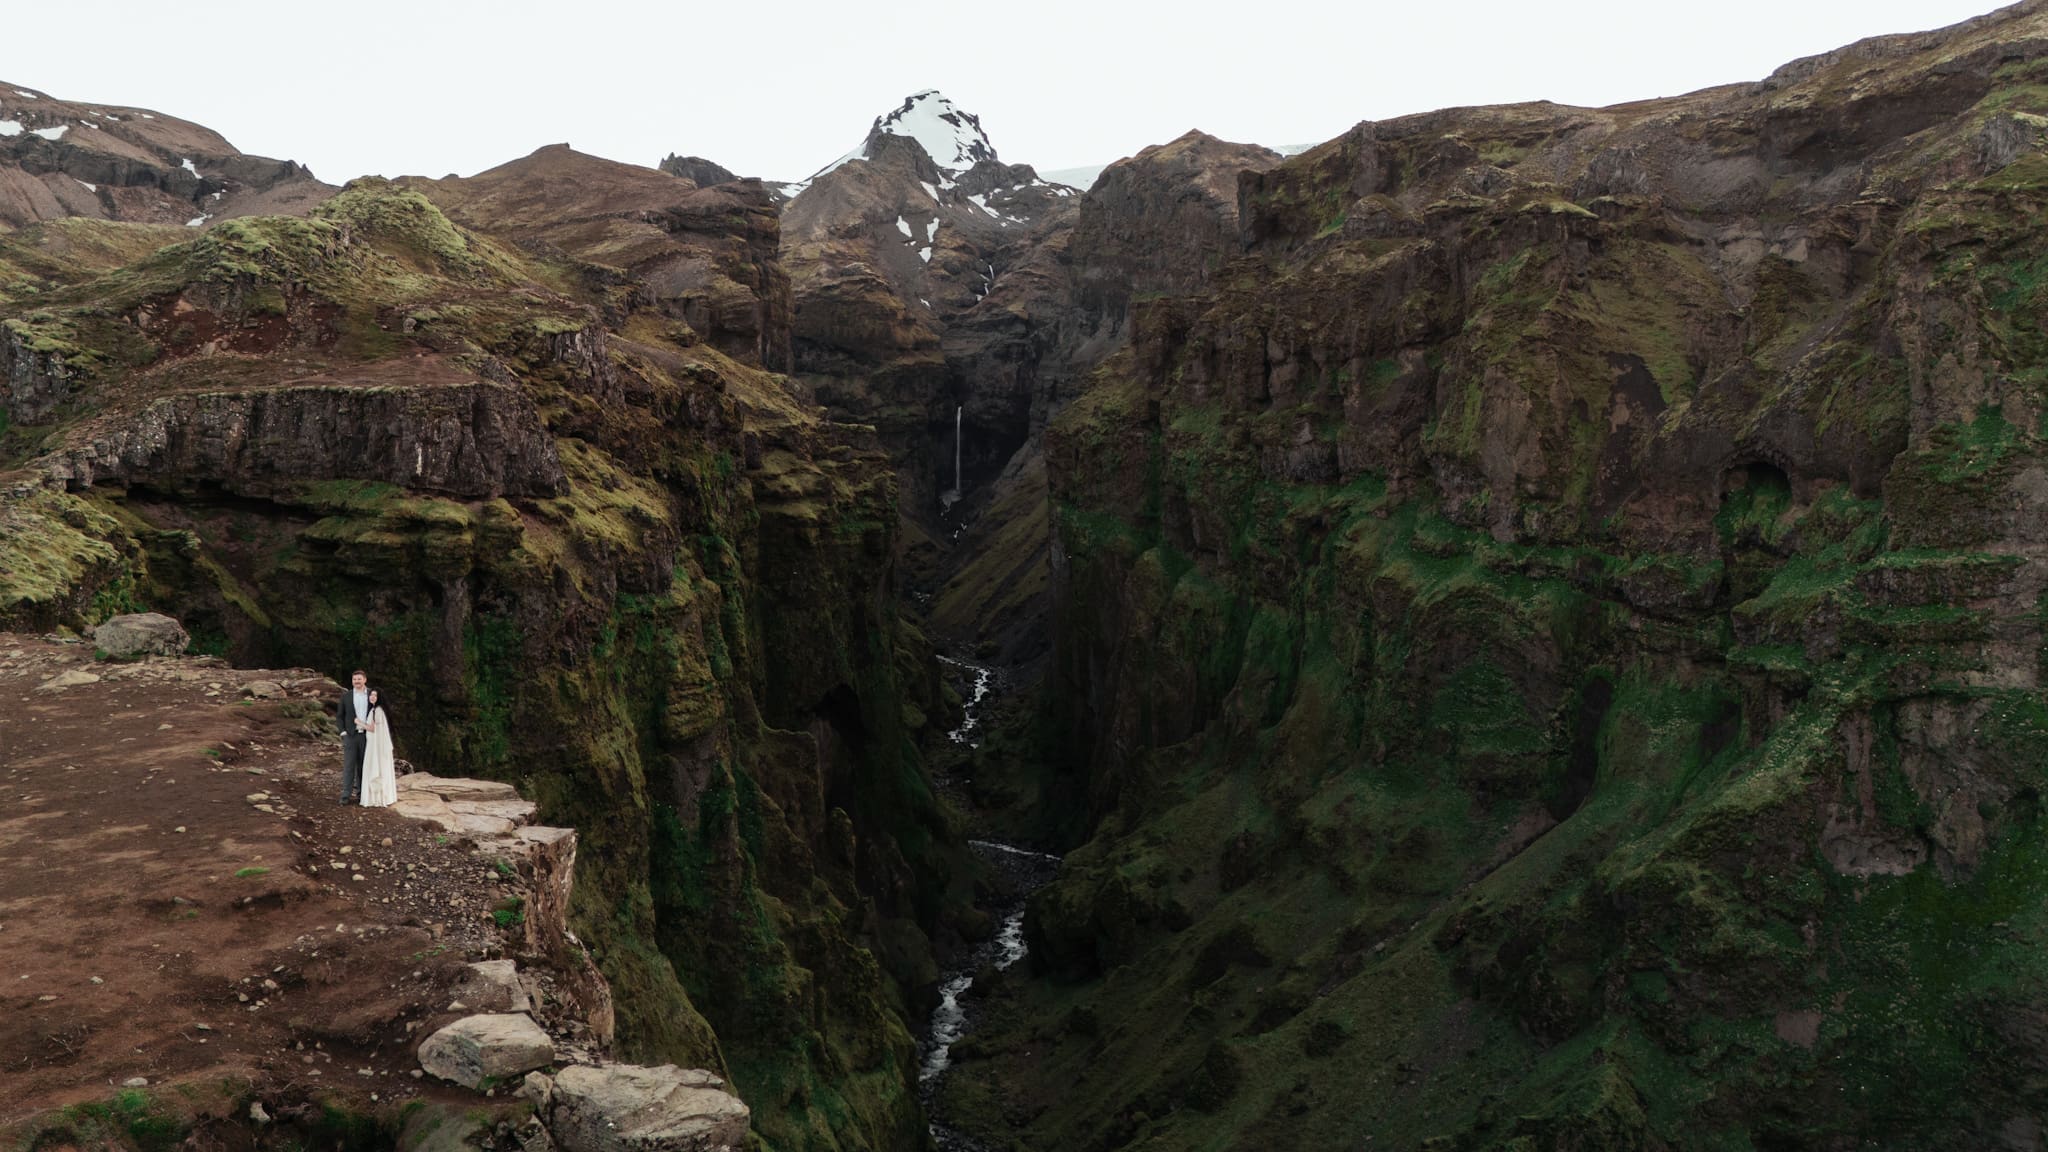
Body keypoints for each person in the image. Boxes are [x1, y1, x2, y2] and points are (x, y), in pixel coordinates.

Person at [335, 670, 371, 805]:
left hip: (367, 736)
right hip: (350, 735)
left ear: (365, 680)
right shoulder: (346, 696)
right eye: (354, 679)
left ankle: (362, 794)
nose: (357, 681)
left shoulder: (372, 695)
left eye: (359, 679)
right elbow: (340, 716)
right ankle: (346, 794)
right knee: (349, 765)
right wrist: (342, 732)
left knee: (363, 766)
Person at [359, 688, 397, 807]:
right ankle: (377, 796)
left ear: (379, 697)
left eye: (375, 695)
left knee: (375, 767)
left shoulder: (378, 711)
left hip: (375, 747)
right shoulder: (375, 710)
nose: (372, 697)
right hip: (373, 744)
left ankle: (377, 798)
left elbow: (372, 728)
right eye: (371, 695)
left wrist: (358, 723)